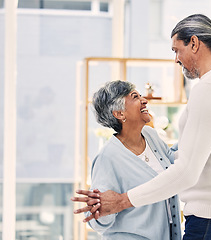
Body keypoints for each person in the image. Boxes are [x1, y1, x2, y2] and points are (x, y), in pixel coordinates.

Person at [73, 14, 211, 240]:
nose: (176, 59)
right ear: (118, 113)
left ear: (194, 43)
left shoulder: (210, 88)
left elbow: (185, 171)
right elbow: (191, 153)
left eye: (176, 50)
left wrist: (122, 200)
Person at [71, 80, 182, 240]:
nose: (144, 100)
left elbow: (171, 160)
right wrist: (98, 209)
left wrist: (195, 135)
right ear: (119, 113)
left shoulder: (150, 135)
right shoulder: (108, 158)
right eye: (135, 97)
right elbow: (98, 222)